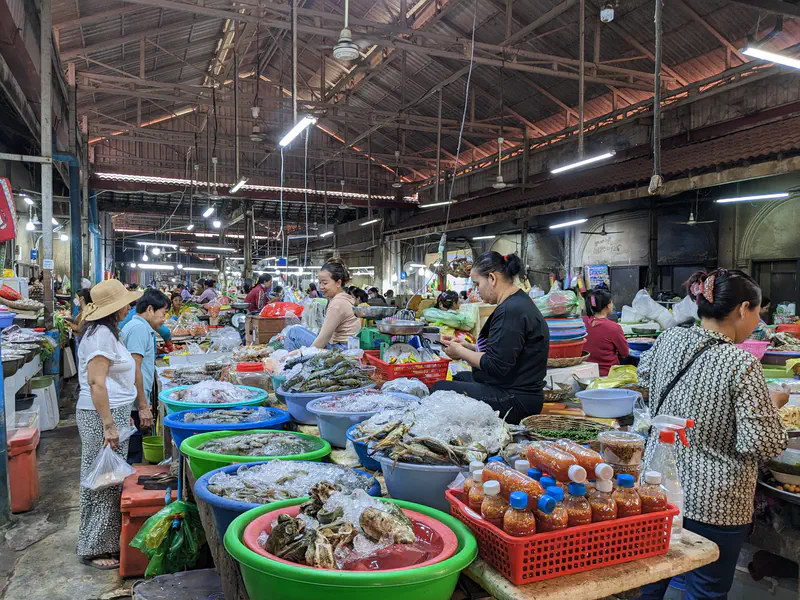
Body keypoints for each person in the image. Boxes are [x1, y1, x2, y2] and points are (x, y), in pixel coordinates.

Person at [637, 269, 787, 600]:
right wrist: (772, 403)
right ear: (742, 309)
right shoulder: (740, 362)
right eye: (757, 313)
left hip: (658, 489)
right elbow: (763, 442)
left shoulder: (670, 338)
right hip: (715, 505)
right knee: (706, 591)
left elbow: (644, 375)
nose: (756, 322)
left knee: (647, 583)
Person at [76, 279, 149, 570]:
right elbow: (96, 383)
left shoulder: (104, 332)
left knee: (105, 478)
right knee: (104, 481)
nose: (129, 307)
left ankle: (97, 541)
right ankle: (95, 548)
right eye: (125, 303)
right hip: (99, 416)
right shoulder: (101, 337)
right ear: (112, 308)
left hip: (111, 413)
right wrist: (108, 424)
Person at [432, 252, 549, 423]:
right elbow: (508, 350)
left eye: (477, 284)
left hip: (517, 400)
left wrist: (460, 352)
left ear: (492, 279)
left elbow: (496, 364)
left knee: (439, 389)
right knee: (459, 377)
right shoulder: (516, 302)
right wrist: (467, 347)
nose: (476, 291)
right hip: (512, 388)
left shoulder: (511, 310)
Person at [120, 289, 169, 465]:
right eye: (163, 313)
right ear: (150, 309)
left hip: (134, 400)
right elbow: (134, 368)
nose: (164, 319)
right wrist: (142, 406)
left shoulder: (140, 327)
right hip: (132, 404)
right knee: (131, 455)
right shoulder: (139, 329)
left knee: (133, 452)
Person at [283, 258, 361, 350]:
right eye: (319, 283)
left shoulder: (337, 304)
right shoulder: (345, 298)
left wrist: (303, 353)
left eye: (325, 283)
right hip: (347, 346)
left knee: (294, 332)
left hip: (341, 349)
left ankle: (289, 363)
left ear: (338, 283)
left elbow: (323, 340)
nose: (321, 287)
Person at [582, 288, 629, 376]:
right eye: (611, 302)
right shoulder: (614, 328)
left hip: (585, 372)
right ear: (608, 305)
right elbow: (625, 353)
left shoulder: (581, 322)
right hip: (607, 374)